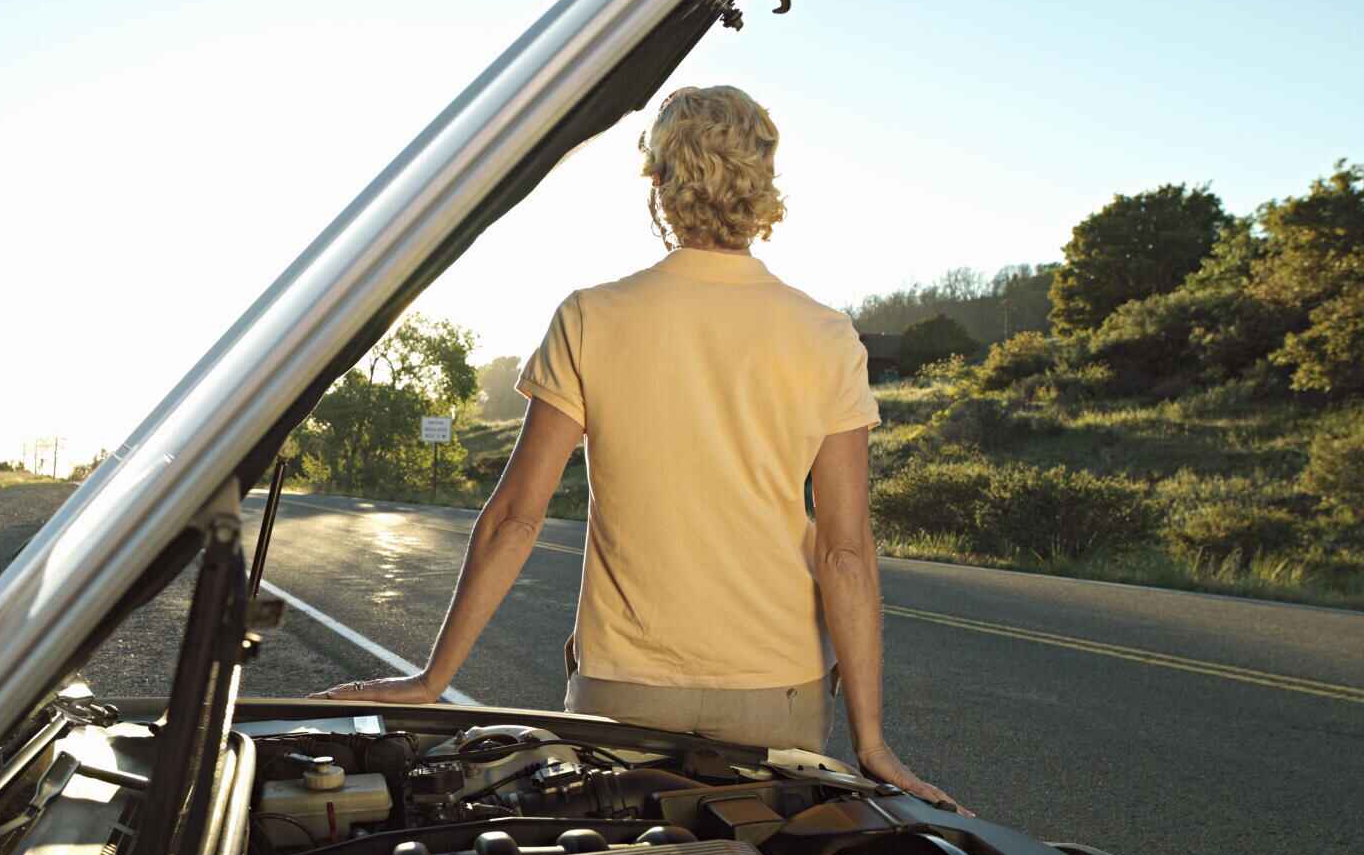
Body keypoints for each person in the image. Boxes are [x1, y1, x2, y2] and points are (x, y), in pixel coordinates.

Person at [313, 84, 965, 811]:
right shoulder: (825, 336)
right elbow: (846, 552)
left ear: (659, 184)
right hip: (775, 694)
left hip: (622, 691)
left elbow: (515, 518)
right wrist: (871, 740)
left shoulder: (592, 318)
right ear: (763, 186)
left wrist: (434, 678)